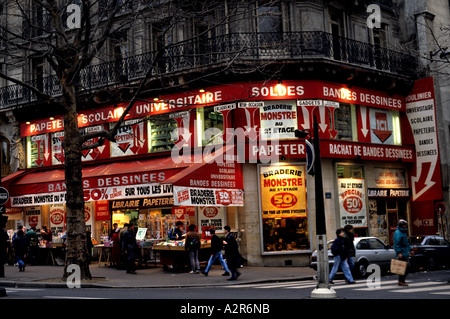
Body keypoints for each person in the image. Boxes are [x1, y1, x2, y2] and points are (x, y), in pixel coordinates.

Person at [393, 219, 412, 286]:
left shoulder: (403, 232)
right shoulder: (398, 233)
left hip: (405, 251)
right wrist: (399, 252)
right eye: (404, 225)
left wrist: (410, 249)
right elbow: (397, 243)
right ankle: (401, 280)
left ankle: (401, 280)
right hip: (402, 252)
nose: (405, 226)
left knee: (405, 267)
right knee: (405, 267)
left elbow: (406, 243)